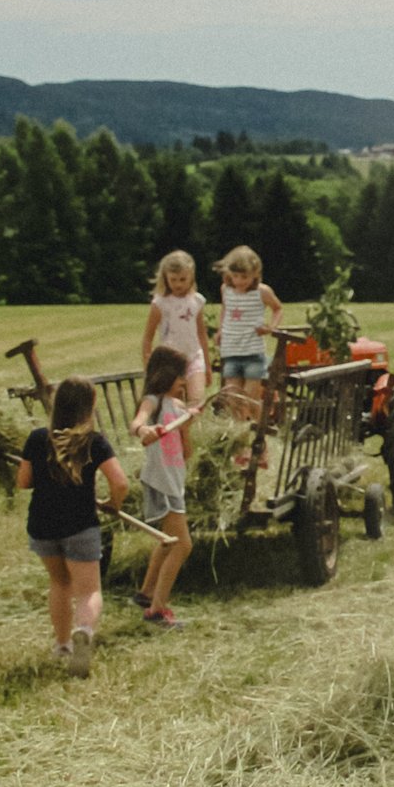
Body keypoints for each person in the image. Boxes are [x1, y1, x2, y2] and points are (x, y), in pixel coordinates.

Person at [16, 376, 129, 677]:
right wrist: (113, 504)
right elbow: (120, 482)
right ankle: (83, 630)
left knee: (59, 584)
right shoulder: (94, 442)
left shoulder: (37, 438)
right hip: (80, 525)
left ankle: (63, 644)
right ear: (90, 406)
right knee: (89, 590)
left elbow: (22, 482)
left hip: (42, 525)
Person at [130, 346, 198, 630]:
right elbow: (137, 422)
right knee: (182, 545)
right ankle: (157, 611)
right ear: (167, 374)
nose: (184, 382)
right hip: (160, 481)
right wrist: (144, 431)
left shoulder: (177, 407)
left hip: (174, 480)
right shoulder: (153, 401)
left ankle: (146, 594)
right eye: (181, 377)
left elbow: (187, 453)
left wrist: (187, 426)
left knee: (168, 542)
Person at [213, 245, 283, 442]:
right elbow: (225, 311)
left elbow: (278, 309)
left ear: (255, 274)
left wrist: (270, 327)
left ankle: (260, 439)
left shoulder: (262, 292)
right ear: (229, 274)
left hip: (252, 353)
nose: (240, 281)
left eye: (245, 277)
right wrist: (220, 330)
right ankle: (241, 442)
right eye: (236, 276)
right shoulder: (226, 290)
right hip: (231, 352)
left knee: (251, 400)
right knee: (233, 400)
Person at [141, 250, 212, 408]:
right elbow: (148, 337)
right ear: (165, 278)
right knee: (175, 405)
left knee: (196, 400)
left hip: (194, 357)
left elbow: (201, 333)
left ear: (191, 276)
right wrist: (149, 367)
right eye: (173, 280)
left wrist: (207, 365)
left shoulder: (197, 301)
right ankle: (177, 433)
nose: (178, 284)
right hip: (170, 362)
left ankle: (189, 431)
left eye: (182, 279)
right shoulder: (160, 303)